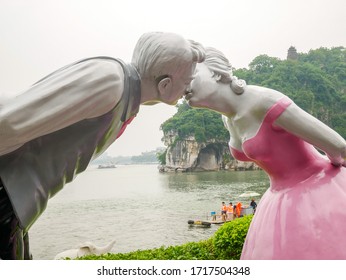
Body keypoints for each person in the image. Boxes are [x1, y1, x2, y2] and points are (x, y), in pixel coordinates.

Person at [0, 32, 205, 260]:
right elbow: (9, 122)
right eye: (186, 82)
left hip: (18, 203)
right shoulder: (111, 81)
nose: (188, 89)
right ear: (165, 85)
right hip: (7, 192)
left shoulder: (125, 96)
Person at [185, 47, 346, 259]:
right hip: (276, 199)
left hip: (316, 188)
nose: (184, 85)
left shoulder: (265, 102)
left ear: (215, 73)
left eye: (191, 76)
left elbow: (339, 148)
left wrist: (334, 181)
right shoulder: (228, 120)